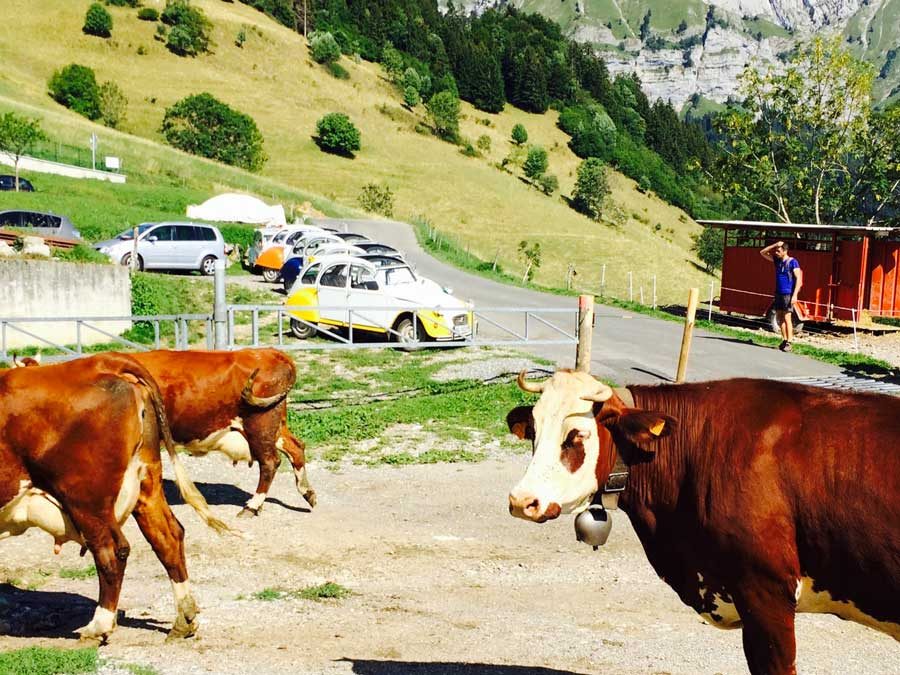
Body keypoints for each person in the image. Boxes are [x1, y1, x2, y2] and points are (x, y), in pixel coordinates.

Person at [760, 240, 803, 352]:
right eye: (776, 251)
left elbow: (799, 279)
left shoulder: (793, 262)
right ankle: (784, 340)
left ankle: (789, 341)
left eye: (779, 251)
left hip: (788, 294)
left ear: (785, 251)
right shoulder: (777, 261)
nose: (776, 252)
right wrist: (775, 244)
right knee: (779, 317)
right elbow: (762, 252)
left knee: (787, 317)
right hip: (778, 293)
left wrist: (795, 295)